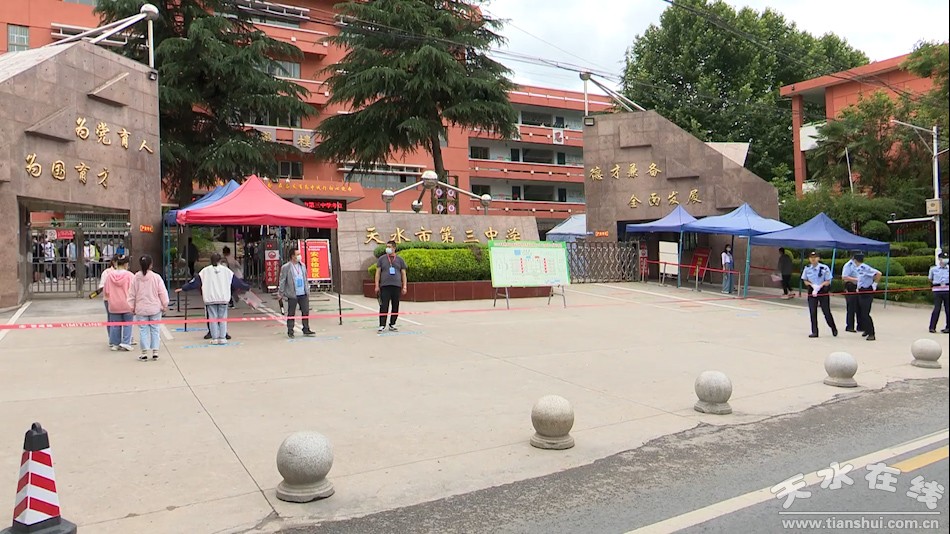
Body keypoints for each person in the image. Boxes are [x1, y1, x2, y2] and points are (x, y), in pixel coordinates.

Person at [177, 252, 250, 345]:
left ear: (210, 261)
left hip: (210, 298)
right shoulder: (226, 271)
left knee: (212, 318)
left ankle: (215, 338)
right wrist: (247, 287)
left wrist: (183, 288)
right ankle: (222, 337)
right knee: (223, 318)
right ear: (220, 260)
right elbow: (237, 283)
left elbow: (194, 283)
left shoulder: (205, 271)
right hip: (223, 298)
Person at [128, 255, 169, 361]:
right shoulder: (156, 277)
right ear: (151, 265)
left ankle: (144, 352)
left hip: (141, 309)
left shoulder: (136, 278)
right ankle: (155, 352)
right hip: (155, 308)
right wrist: (165, 304)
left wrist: (131, 306)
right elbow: (162, 292)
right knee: (155, 330)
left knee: (143, 330)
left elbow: (132, 293)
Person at [278, 247, 316, 338]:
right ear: (292, 256)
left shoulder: (302, 265)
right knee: (291, 312)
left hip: (303, 292)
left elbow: (305, 278)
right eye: (297, 254)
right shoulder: (286, 267)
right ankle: (290, 330)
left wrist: (307, 290)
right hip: (292, 293)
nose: (299, 256)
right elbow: (282, 280)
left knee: (305, 311)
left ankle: (306, 328)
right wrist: (280, 293)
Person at [802, 251, 838, 338]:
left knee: (826, 312)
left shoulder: (824, 268)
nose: (813, 259)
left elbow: (828, 281)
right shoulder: (807, 268)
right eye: (811, 258)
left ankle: (833, 327)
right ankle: (814, 331)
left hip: (822, 291)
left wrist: (820, 286)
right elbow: (805, 280)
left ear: (818, 258)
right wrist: (812, 285)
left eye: (815, 257)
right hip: (812, 291)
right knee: (813, 312)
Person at [375, 240, 408, 333]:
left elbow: (403, 274)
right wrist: (377, 285)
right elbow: (377, 273)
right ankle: (382, 325)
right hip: (385, 286)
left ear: (394, 248)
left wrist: (404, 286)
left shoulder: (400, 260)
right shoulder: (382, 259)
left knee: (395, 306)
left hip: (396, 286)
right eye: (387, 247)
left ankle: (392, 324)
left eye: (389, 247)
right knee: (384, 306)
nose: (387, 249)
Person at [103, 256, 135, 351]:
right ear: (126, 264)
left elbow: (106, 291)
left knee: (115, 325)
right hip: (127, 304)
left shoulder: (109, 275)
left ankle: (115, 343)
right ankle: (126, 342)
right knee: (128, 324)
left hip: (114, 304)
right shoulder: (130, 275)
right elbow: (134, 290)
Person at [851, 253, 881, 341]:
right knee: (860, 312)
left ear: (855, 260)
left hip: (867, 291)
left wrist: (874, 285)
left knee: (865, 313)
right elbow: (861, 279)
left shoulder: (865, 267)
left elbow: (878, 274)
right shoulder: (859, 268)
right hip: (861, 291)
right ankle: (866, 330)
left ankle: (871, 333)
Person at [840, 251, 864, 333]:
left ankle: (860, 326)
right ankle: (850, 326)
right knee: (851, 307)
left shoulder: (861, 264)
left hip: (859, 287)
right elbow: (844, 277)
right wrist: (856, 279)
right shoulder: (848, 265)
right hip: (851, 287)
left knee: (859, 307)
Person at [927, 252, 949, 334]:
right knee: (937, 309)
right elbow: (930, 279)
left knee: (948, 309)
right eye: (943, 258)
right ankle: (932, 327)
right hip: (937, 291)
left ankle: (948, 327)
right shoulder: (933, 269)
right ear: (939, 259)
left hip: (947, 290)